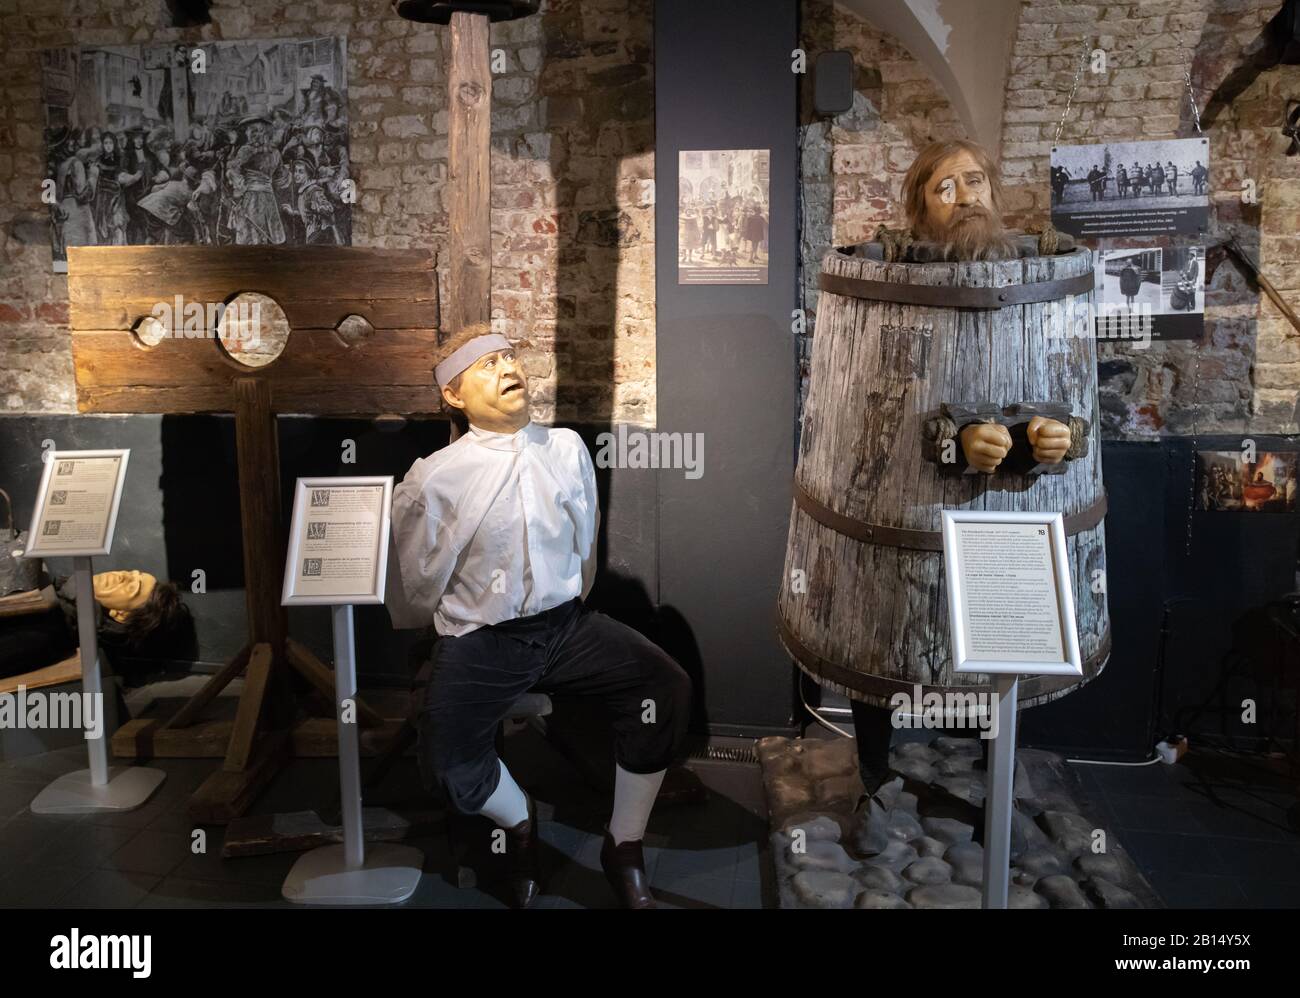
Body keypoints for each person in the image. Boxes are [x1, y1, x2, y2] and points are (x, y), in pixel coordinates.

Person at [386, 325, 693, 908]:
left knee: (665, 686)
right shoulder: (435, 476)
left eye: (508, 356)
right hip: (483, 639)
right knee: (448, 760)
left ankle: (623, 846)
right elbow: (413, 581)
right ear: (453, 395)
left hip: (563, 627)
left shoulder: (567, 449)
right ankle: (518, 819)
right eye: (485, 364)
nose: (506, 368)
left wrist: (564, 605)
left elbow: (585, 546)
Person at [850, 138, 1074, 798]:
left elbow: (1058, 374)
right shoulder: (898, 285)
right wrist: (952, 439)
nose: (966, 195)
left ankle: (993, 786)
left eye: (974, 181)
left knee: (998, 641)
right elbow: (880, 401)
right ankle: (872, 780)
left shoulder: (1033, 280)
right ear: (920, 211)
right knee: (885, 639)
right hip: (907, 506)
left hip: (1004, 507)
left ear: (995, 193)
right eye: (944, 188)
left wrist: (1053, 434)